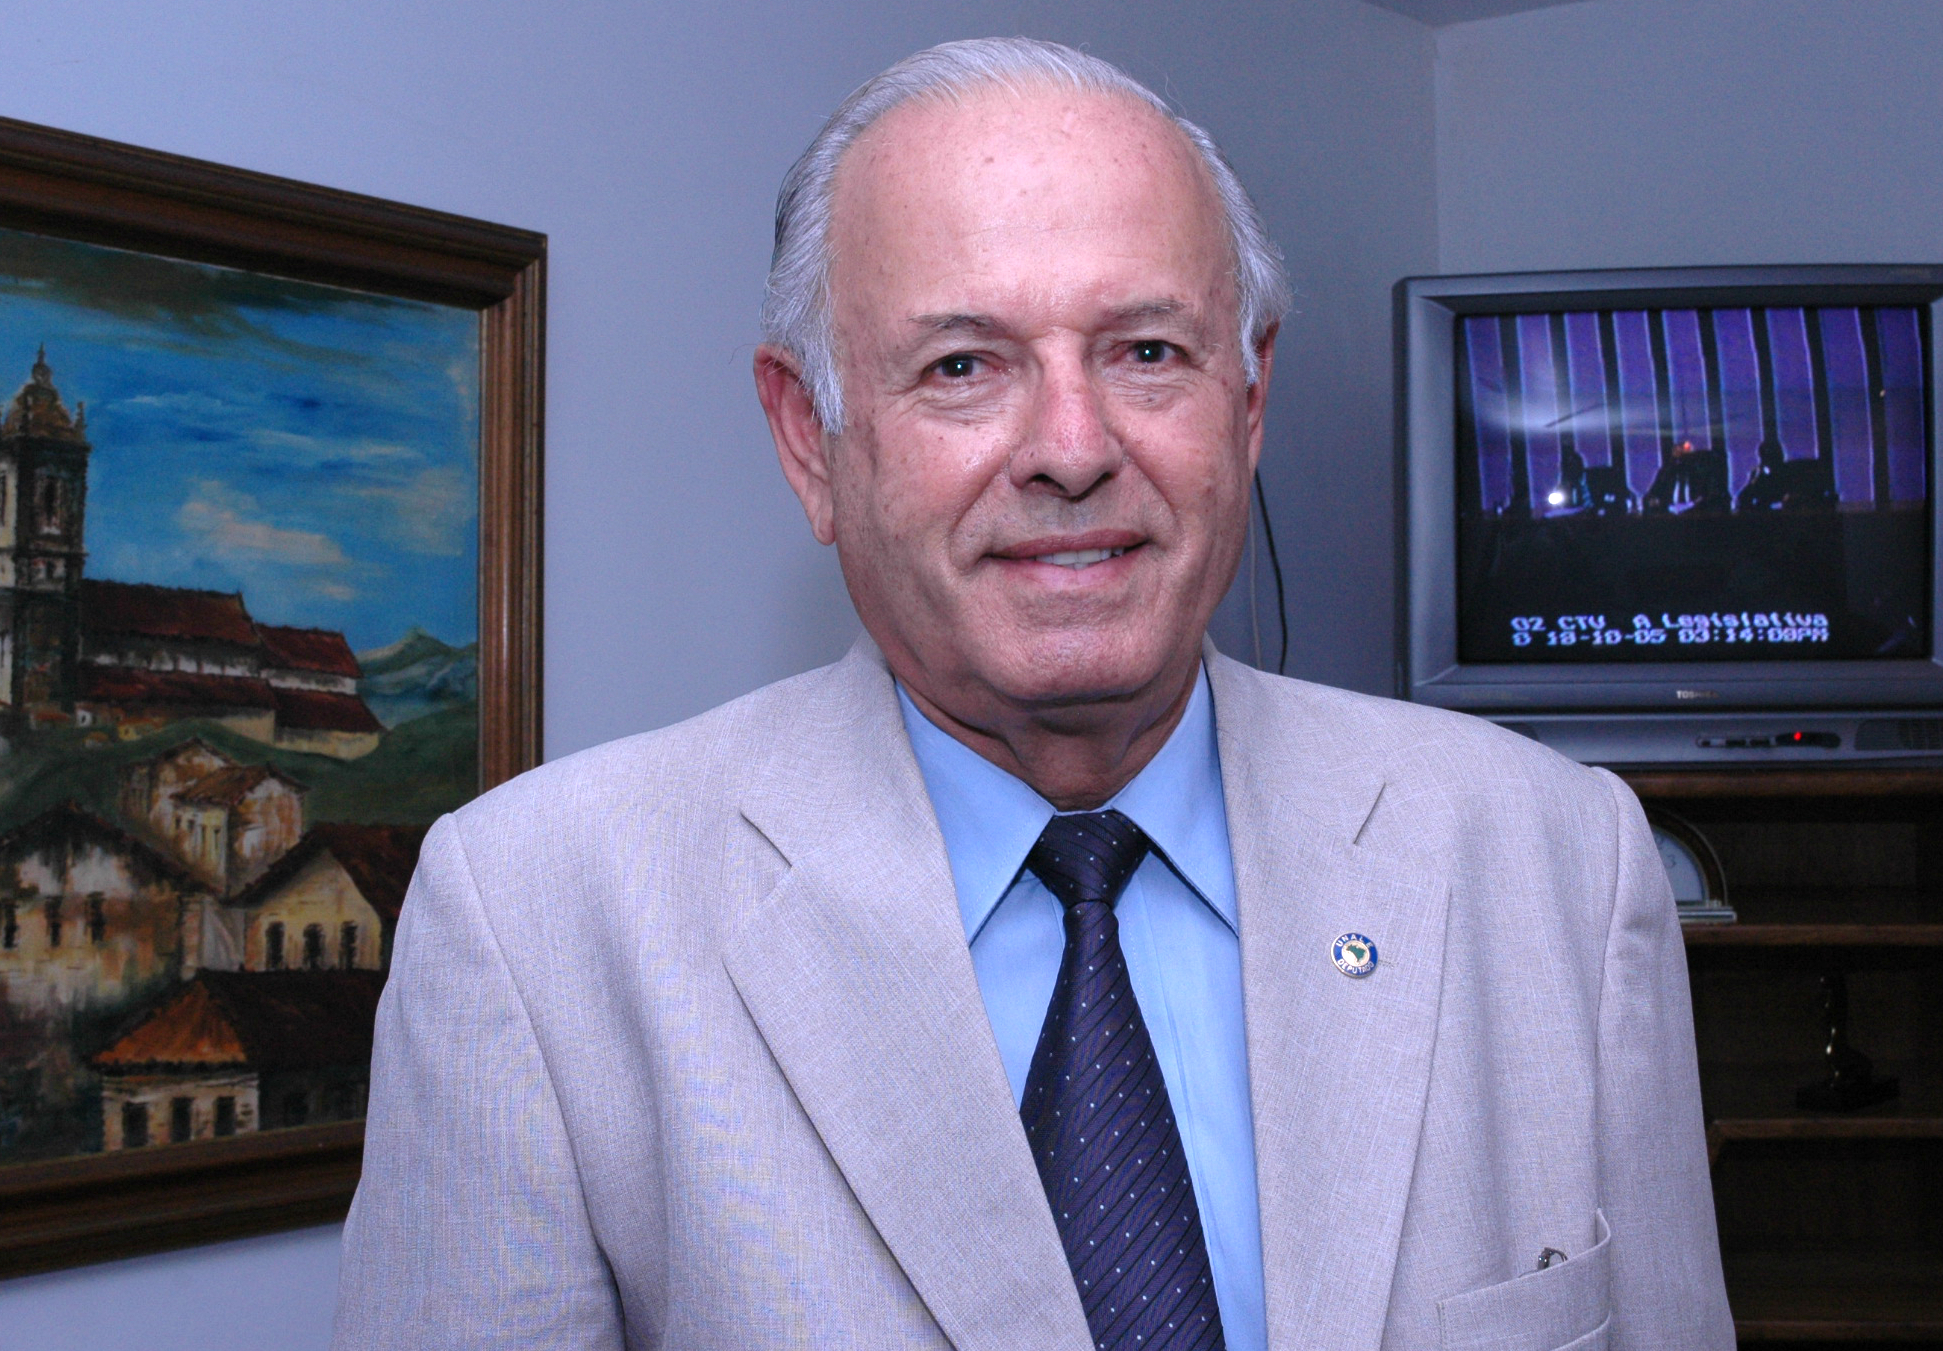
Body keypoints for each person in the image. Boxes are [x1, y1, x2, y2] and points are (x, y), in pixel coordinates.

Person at [334, 38, 1732, 1351]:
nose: (1073, 447)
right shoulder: (539, 924)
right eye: (963, 366)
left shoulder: (1557, 862)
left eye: (1147, 352)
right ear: (810, 440)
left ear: (1248, 405)